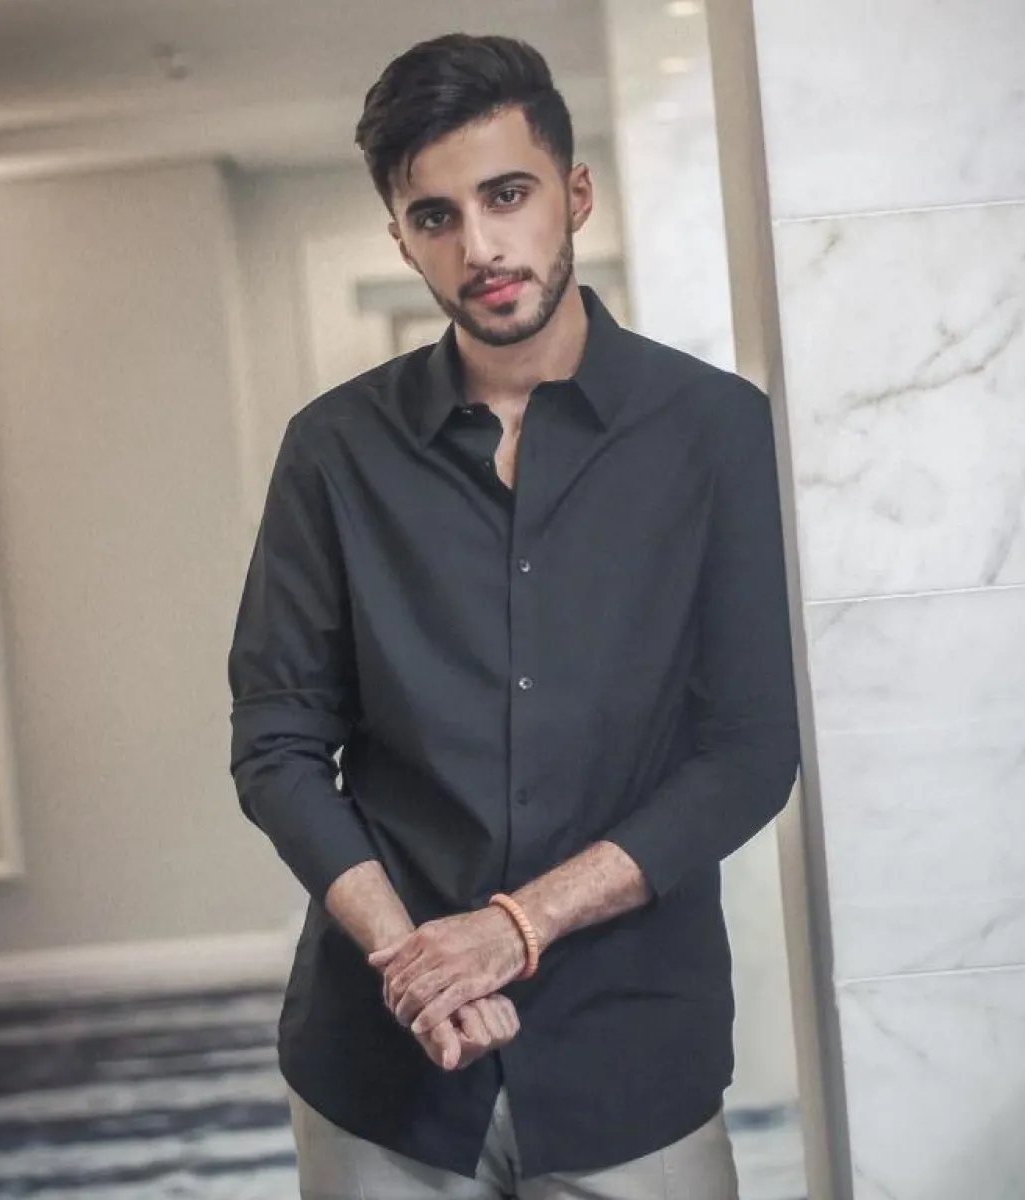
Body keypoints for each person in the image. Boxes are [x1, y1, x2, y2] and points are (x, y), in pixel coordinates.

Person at [228, 32, 800, 1200]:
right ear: (402, 239)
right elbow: (277, 743)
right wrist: (411, 960)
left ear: (574, 194)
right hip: (381, 1070)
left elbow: (749, 751)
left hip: (632, 1053)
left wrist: (514, 928)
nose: (480, 247)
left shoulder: (715, 432)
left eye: (507, 195)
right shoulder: (333, 451)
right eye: (435, 216)